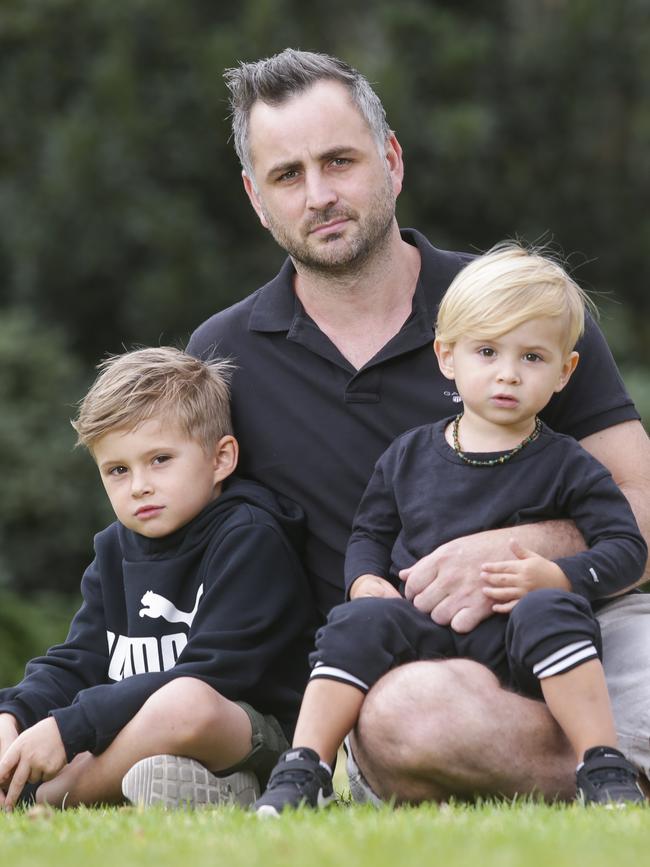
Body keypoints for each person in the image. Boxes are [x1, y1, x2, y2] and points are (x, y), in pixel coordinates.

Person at [186, 48, 650, 803]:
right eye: (288, 175)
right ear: (255, 198)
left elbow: (643, 507)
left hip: (585, 623)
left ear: (392, 161)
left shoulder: (521, 308)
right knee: (406, 717)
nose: (319, 195)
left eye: (340, 161)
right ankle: (611, 781)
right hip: (417, 665)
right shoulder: (223, 355)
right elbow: (172, 556)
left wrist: (519, 551)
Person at [253, 244, 647, 814]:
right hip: (425, 627)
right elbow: (369, 535)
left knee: (550, 609)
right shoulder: (408, 455)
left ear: (565, 372)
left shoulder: (569, 464)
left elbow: (627, 550)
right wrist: (364, 581)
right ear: (447, 356)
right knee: (358, 620)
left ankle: (600, 764)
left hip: (524, 633)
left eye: (532, 358)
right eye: (487, 351)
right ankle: (305, 765)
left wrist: (556, 576)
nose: (507, 374)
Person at [0, 347, 317, 810]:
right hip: (141, 732)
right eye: (118, 470)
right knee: (27, 717)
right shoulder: (113, 548)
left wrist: (70, 729)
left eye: (161, 459)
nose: (139, 486)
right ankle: (206, 790)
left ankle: (42, 798)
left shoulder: (249, 536)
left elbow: (213, 673)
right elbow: (79, 659)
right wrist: (17, 713)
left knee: (184, 702)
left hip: (248, 731)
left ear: (221, 458)